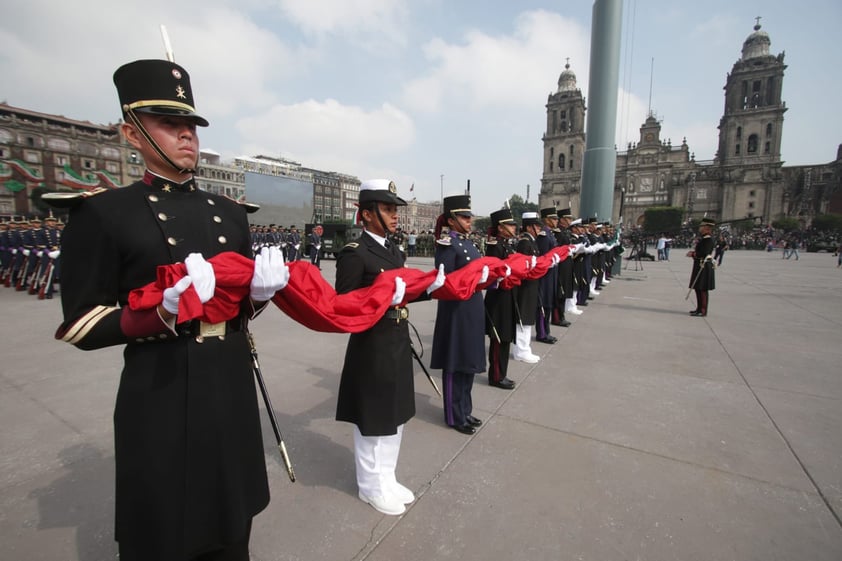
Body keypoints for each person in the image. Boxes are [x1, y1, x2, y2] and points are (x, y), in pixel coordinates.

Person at [49, 59, 289, 560]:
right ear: (131, 133)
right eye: (169, 125)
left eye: (192, 127)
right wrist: (161, 312)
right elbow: (80, 324)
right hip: (160, 392)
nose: (187, 137)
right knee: (163, 531)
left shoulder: (228, 213)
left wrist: (259, 297)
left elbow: (236, 311)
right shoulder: (104, 213)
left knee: (231, 526)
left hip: (229, 385)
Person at [335, 179, 444, 516]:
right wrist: (380, 300)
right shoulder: (355, 254)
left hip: (397, 339)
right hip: (372, 345)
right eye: (387, 209)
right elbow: (344, 303)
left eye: (396, 209)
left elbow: (404, 290)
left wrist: (430, 288)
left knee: (395, 414)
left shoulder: (394, 250)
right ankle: (370, 486)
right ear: (366, 214)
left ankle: (387, 476)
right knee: (373, 417)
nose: (395, 215)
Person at [431, 194, 488, 434]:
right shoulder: (447, 243)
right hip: (456, 310)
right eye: (464, 217)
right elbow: (445, 280)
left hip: (472, 306)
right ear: (451, 219)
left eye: (469, 216)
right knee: (455, 363)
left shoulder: (468, 242)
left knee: (468, 361)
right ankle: (454, 416)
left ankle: (465, 408)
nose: (469, 220)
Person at [483, 208, 518, 390]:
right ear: (501, 227)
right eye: (510, 224)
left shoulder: (507, 245)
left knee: (505, 337)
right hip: (498, 298)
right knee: (498, 337)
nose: (514, 227)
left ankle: (502, 373)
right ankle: (496, 376)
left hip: (507, 296)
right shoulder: (494, 247)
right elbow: (492, 275)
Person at [514, 212, 542, 362]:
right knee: (523, 318)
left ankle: (525, 348)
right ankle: (521, 350)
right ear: (529, 227)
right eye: (537, 225)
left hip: (531, 284)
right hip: (525, 285)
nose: (539, 228)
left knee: (528, 317)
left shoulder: (531, 241)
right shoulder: (525, 243)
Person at [687, 217, 716, 317]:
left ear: (707, 228)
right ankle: (698, 308)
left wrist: (694, 254)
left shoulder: (708, 240)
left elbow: (704, 253)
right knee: (697, 288)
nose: (700, 228)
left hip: (703, 266)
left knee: (702, 289)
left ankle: (703, 310)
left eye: (702, 226)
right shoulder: (704, 239)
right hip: (699, 265)